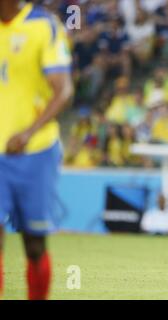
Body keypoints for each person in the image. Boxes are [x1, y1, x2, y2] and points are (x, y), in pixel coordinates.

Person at [0, 0, 73, 299]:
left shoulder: (44, 25)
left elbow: (64, 90)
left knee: (33, 244)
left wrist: (28, 133)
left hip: (34, 152)